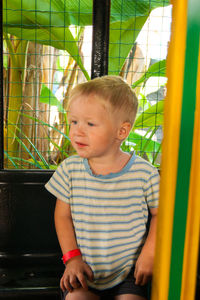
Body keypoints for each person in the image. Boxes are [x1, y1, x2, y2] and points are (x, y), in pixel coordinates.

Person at [45, 75, 159, 300]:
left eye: (90, 124)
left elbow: (161, 214)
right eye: (74, 121)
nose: (78, 131)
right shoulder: (70, 170)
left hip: (129, 273)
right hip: (83, 272)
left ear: (122, 131)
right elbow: (62, 217)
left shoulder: (144, 173)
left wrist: (150, 253)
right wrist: (72, 259)